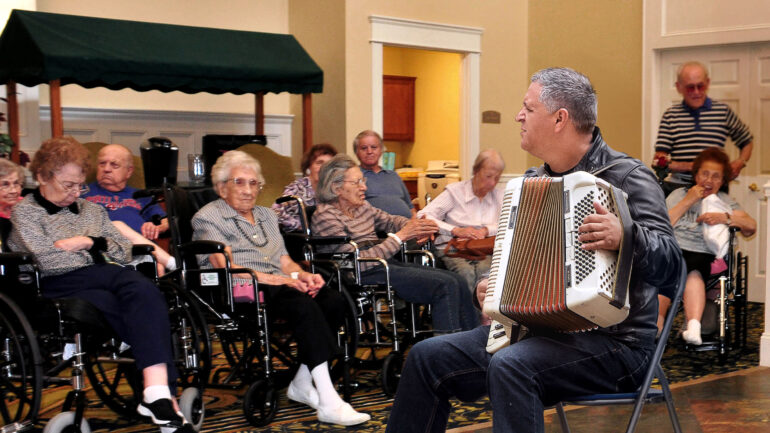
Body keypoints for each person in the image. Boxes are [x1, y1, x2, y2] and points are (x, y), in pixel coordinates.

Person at [385, 67, 682, 433]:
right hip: (533, 335)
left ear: (560, 119)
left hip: (617, 345)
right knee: (426, 357)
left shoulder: (627, 176)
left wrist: (627, 235)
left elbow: (671, 266)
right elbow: (517, 264)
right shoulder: (530, 183)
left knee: (512, 364)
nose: (518, 116)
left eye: (527, 107)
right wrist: (494, 291)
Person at [7, 136, 192, 433]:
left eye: (79, 185)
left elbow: (124, 249)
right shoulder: (26, 212)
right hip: (52, 284)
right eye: (67, 185)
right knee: (136, 285)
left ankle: (161, 402)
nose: (74, 193)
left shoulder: (91, 210)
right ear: (42, 176)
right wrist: (98, 250)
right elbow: (46, 261)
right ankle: (160, 394)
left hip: (97, 285)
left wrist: (88, 241)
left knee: (127, 302)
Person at [191, 150, 370, 426]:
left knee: (332, 300)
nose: (249, 191)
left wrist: (303, 275)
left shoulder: (266, 216)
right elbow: (226, 267)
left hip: (279, 285)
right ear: (221, 186)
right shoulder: (208, 217)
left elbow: (284, 260)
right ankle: (328, 399)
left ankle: (300, 382)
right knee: (303, 304)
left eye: (254, 184)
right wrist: (287, 281)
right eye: (240, 182)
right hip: (239, 288)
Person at [311, 154, 479, 333]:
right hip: (361, 273)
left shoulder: (362, 207)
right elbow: (352, 262)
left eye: (363, 180)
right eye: (357, 182)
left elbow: (391, 221)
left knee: (458, 280)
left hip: (384, 265)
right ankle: (447, 352)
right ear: (336, 188)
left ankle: (472, 344)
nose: (364, 187)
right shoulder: (325, 216)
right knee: (445, 285)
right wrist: (400, 237)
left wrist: (418, 226)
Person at [657, 147, 756, 344]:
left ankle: (693, 325)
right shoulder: (678, 194)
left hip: (702, 254)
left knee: (692, 268)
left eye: (716, 177)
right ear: (696, 174)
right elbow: (660, 224)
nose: (709, 181)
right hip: (674, 249)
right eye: (704, 174)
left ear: (723, 181)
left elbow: (751, 226)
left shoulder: (724, 202)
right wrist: (688, 201)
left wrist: (726, 217)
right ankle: (656, 330)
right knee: (664, 270)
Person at [417, 149, 504, 292]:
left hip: (484, 248)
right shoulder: (455, 192)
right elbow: (424, 215)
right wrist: (455, 230)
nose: (492, 183)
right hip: (454, 247)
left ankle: (483, 314)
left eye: (497, 178)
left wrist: (486, 230)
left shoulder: (499, 195)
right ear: (476, 171)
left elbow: (510, 222)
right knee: (465, 273)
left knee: (486, 273)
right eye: (488, 176)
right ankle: (469, 314)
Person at [82, 144, 175, 273]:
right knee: (116, 225)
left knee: (157, 268)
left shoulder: (141, 196)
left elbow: (167, 221)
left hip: (140, 251)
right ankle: (173, 263)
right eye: (102, 164)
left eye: (114, 165)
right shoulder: (82, 192)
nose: (106, 169)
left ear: (129, 171)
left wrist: (157, 227)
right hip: (104, 251)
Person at [654, 61, 753, 181]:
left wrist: (740, 162)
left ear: (708, 83)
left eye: (700, 86)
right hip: (680, 186)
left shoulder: (723, 111)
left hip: (715, 186)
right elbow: (659, 161)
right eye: (690, 87)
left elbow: (746, 141)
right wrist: (694, 166)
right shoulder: (670, 116)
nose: (696, 92)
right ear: (679, 87)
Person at [271, 143, 337, 231]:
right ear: (309, 167)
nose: (324, 168)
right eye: (319, 163)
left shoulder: (336, 189)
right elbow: (275, 212)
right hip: (301, 239)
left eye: (329, 164)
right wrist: (300, 226)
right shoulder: (297, 188)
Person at [354, 130, 415, 218]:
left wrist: (416, 223)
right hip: (380, 229)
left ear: (381, 151)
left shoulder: (393, 175)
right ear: (357, 153)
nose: (369, 151)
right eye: (364, 148)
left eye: (374, 147)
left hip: (408, 226)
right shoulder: (354, 178)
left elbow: (411, 208)